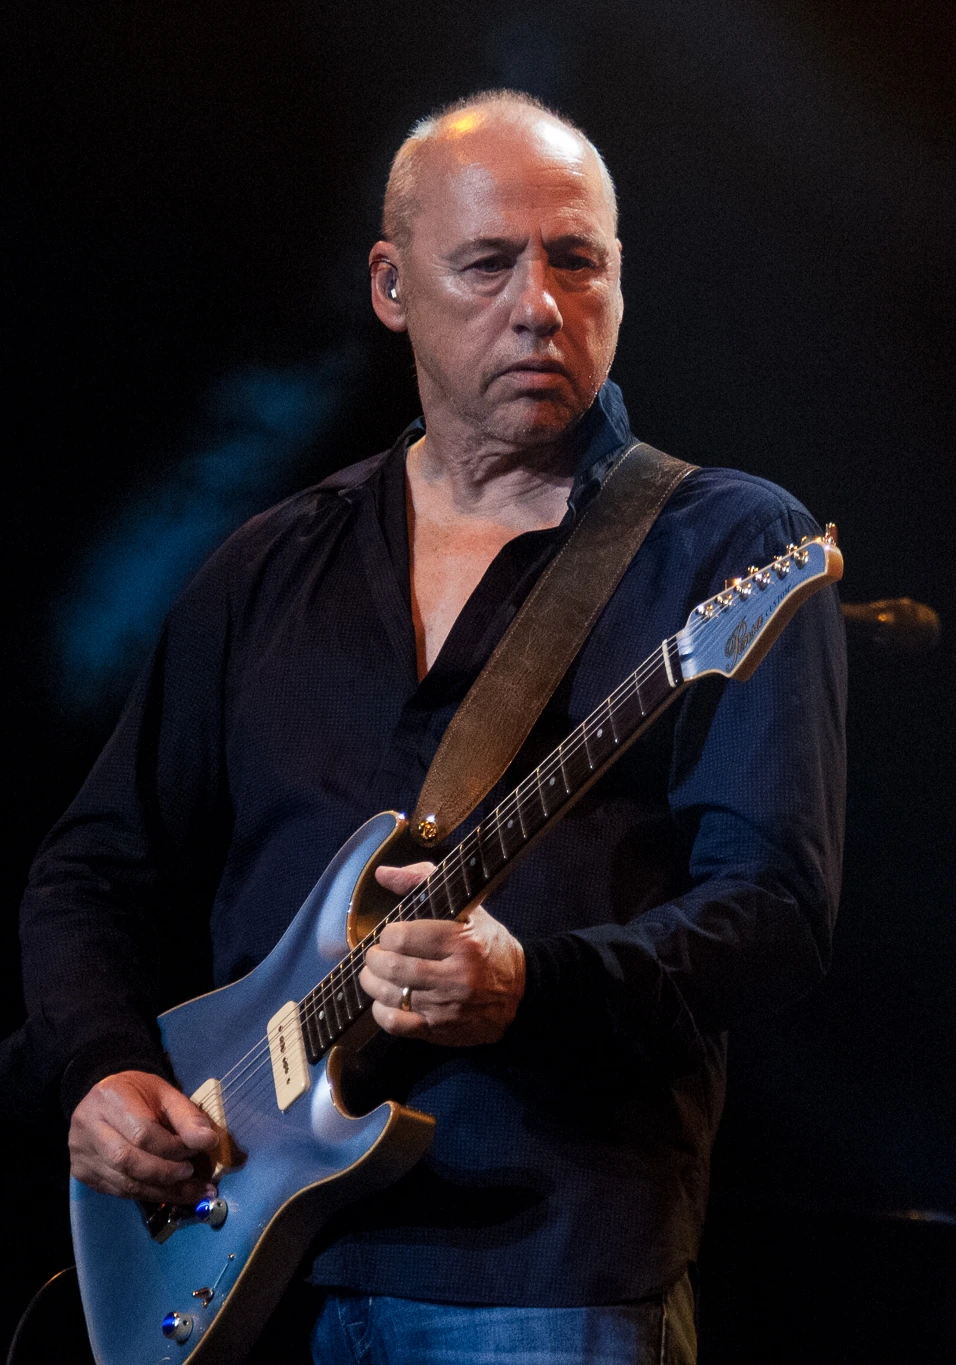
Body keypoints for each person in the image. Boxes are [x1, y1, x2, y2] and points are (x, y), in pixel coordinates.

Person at [18, 90, 846, 1364]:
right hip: (234, 1255)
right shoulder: (270, 563)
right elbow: (95, 865)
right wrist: (99, 1067)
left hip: (544, 1269)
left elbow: (775, 913)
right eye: (488, 263)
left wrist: (535, 988)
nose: (539, 305)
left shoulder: (725, 544)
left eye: (576, 261)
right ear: (391, 287)